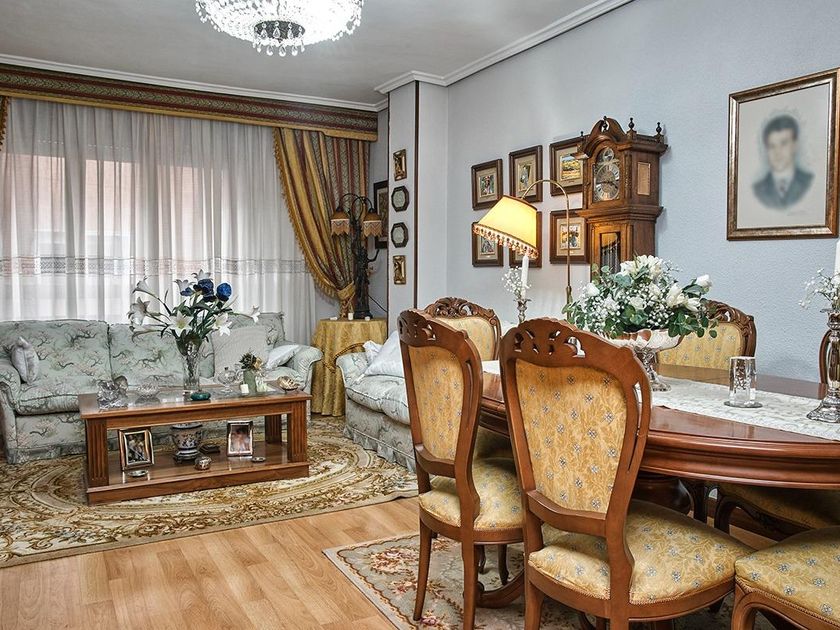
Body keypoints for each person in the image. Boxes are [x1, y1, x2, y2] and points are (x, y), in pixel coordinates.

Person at [753, 114, 813, 209]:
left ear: (795, 146)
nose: (777, 152)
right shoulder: (757, 190)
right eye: (772, 146)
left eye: (783, 144)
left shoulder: (809, 182)